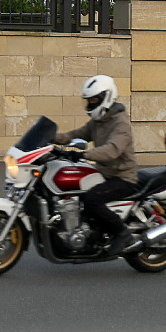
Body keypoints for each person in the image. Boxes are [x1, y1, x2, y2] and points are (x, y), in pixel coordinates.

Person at [53, 74, 139, 255]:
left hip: (122, 177)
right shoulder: (99, 121)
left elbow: (112, 150)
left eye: (94, 100)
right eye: (89, 101)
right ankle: (93, 233)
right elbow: (78, 133)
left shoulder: (120, 124)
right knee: (80, 194)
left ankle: (122, 234)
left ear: (106, 97)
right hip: (104, 173)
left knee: (93, 198)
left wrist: (83, 154)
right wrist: (52, 138)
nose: (91, 104)